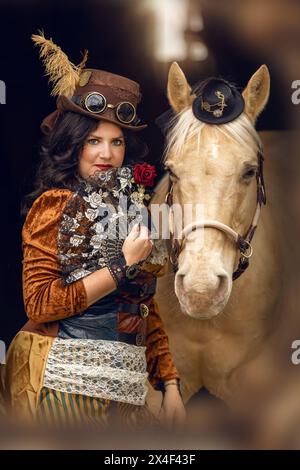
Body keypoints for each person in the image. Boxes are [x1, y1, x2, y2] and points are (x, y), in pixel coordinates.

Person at [0, 32, 185, 429]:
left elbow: (143, 305)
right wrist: (121, 265)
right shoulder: (55, 206)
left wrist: (168, 382)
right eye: (93, 141)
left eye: (116, 142)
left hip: (129, 390)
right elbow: (40, 304)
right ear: (73, 146)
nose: (106, 154)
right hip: (68, 387)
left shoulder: (129, 208)